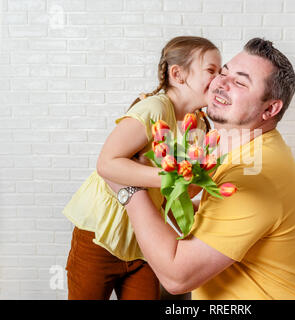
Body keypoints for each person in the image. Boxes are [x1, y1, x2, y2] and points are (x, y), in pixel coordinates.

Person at [105, 38, 295, 300]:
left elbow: (177, 277)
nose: (220, 82)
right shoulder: (247, 151)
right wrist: (166, 191)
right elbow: (218, 217)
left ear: (270, 108)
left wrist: (128, 188)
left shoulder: (254, 175)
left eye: (240, 82)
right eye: (223, 72)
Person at [62, 36, 222, 300]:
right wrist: (170, 177)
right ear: (178, 74)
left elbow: (182, 192)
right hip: (99, 233)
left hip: (145, 242)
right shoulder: (155, 109)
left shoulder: (201, 126)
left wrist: (208, 172)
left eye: (220, 71)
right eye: (211, 71)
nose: (218, 80)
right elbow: (107, 163)